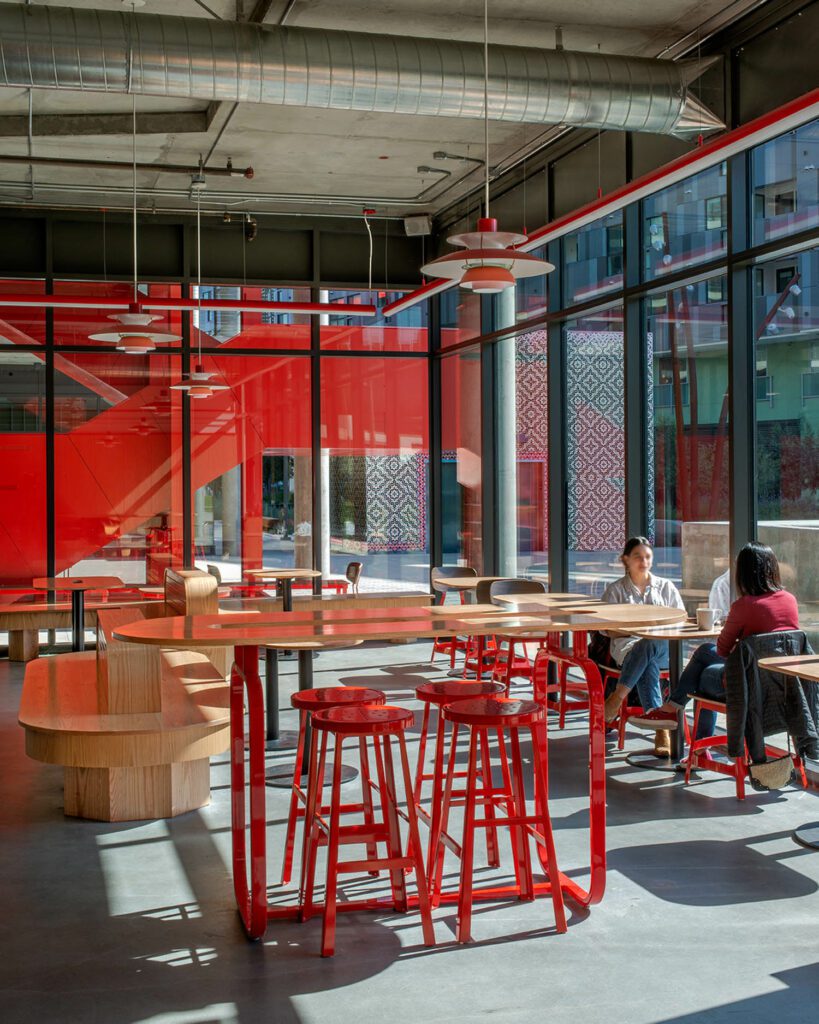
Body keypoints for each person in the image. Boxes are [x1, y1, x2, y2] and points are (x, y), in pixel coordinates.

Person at [633, 542, 800, 736]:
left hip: (745, 687)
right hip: (781, 686)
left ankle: (678, 721)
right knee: (705, 652)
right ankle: (681, 727)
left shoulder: (743, 605)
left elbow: (722, 649)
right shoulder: (790, 600)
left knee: (702, 670)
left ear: (744, 573)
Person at [601, 536, 686, 757]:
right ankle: (661, 731)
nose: (644, 561)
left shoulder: (665, 587)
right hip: (627, 648)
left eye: (647, 556)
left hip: (664, 649)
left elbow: (680, 621)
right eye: (638, 556)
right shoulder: (615, 591)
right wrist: (641, 630)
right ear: (625, 560)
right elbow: (608, 630)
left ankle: (617, 697)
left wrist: (636, 628)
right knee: (646, 655)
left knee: (649, 646)